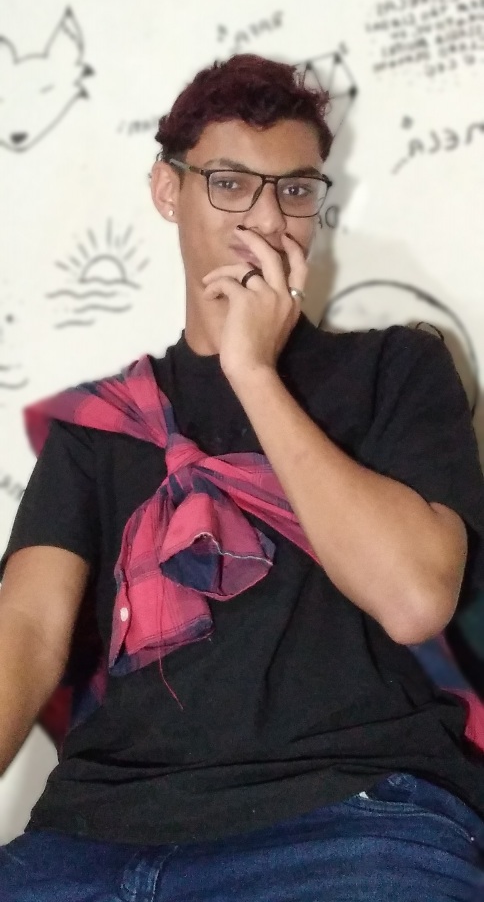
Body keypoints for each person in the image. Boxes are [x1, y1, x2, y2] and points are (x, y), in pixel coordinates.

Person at [0, 53, 483, 901]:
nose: (265, 218)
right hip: (94, 835)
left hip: (348, 817)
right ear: (168, 190)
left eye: (294, 190)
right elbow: (29, 630)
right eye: (229, 184)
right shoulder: (103, 423)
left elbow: (415, 598)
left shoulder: (395, 369)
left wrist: (253, 372)